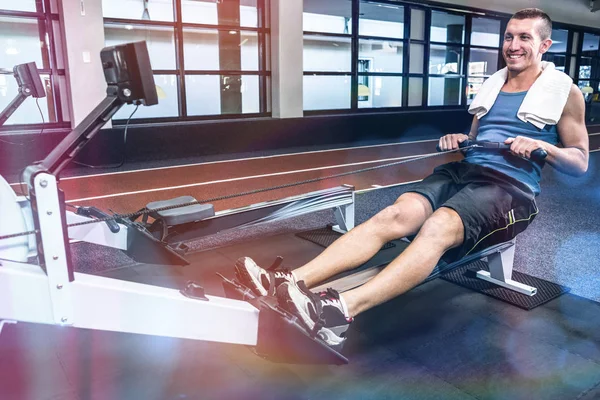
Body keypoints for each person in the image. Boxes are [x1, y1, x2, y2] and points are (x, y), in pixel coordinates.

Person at [235, 8, 589, 347]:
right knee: (394, 215)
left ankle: (339, 311)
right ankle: (286, 281)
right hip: (465, 172)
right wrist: (460, 140)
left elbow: (579, 162)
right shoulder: (493, 85)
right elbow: (477, 139)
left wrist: (544, 147)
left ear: (544, 45)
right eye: (509, 36)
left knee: (437, 227)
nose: (513, 45)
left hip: (510, 190)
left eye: (524, 37)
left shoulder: (564, 92)